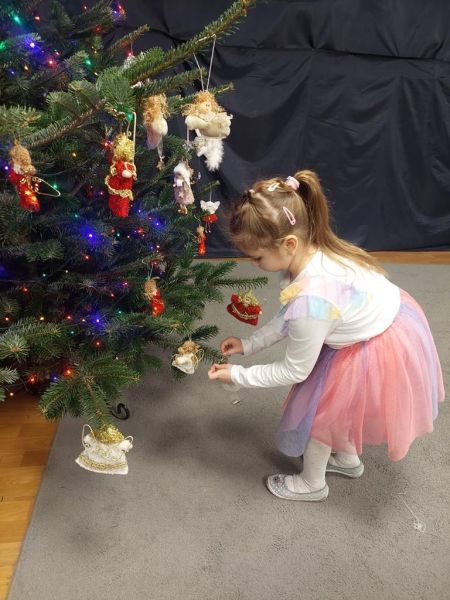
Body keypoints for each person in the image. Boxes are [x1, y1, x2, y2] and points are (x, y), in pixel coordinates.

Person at [208, 170, 445, 502]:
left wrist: (238, 375)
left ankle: (312, 484)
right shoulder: (312, 253)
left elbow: (295, 369)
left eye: (257, 257)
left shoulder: (313, 299)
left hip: (375, 346)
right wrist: (249, 345)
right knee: (337, 409)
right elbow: (288, 318)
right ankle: (347, 460)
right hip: (381, 322)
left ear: (289, 244)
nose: (253, 263)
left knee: (321, 415)